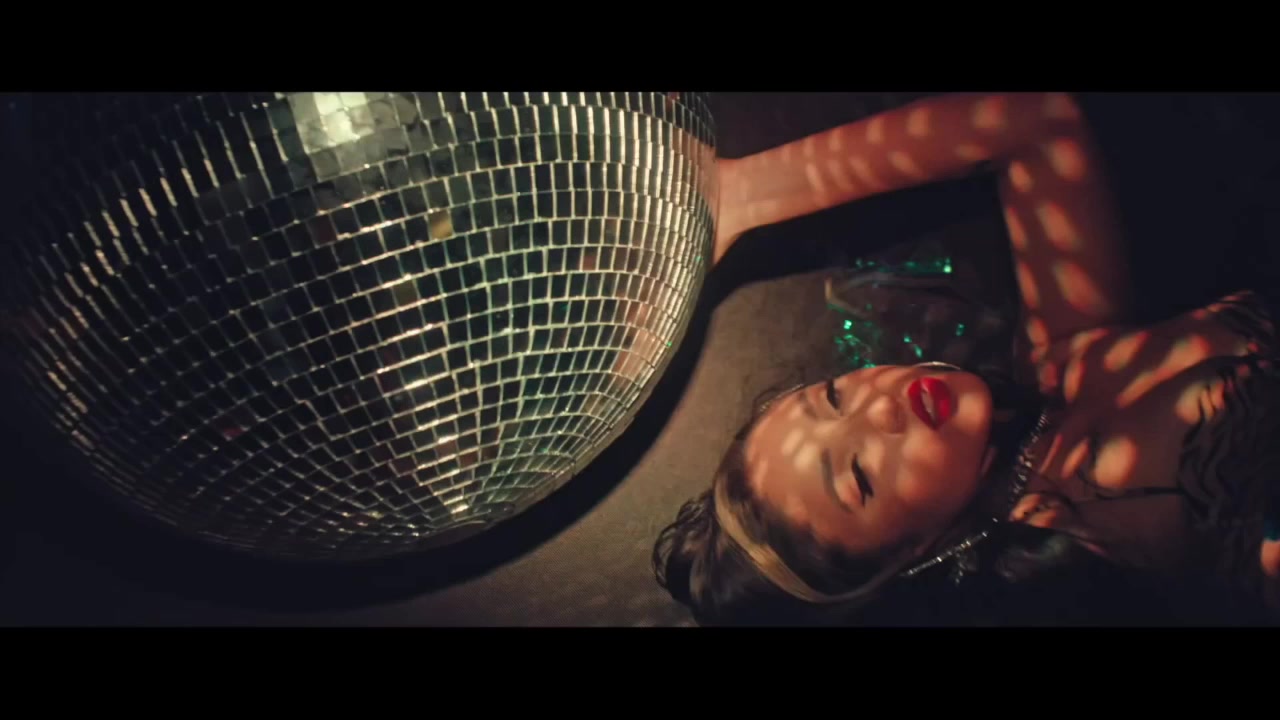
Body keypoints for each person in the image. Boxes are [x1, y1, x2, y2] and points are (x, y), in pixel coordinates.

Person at [652, 92, 1280, 625]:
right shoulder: (1120, 546)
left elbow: (1035, 125)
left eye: (833, 397)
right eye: (860, 476)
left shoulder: (1058, 368)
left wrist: (736, 197)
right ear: (915, 554)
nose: (878, 408)